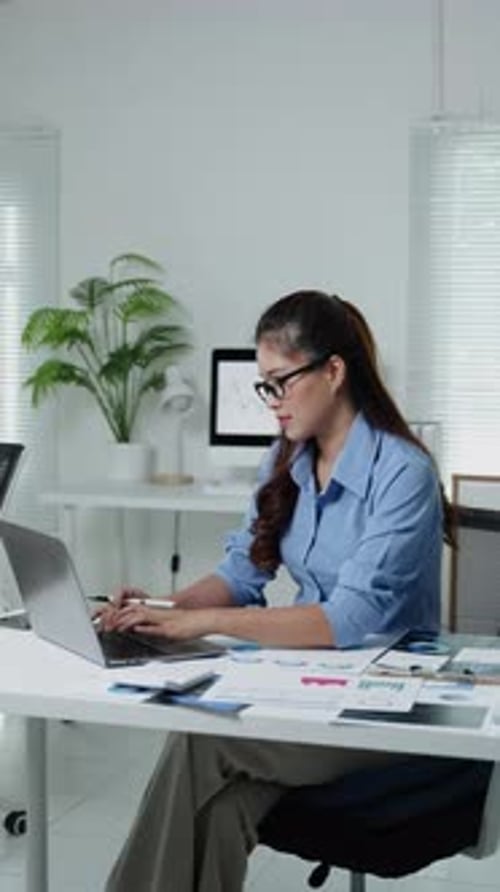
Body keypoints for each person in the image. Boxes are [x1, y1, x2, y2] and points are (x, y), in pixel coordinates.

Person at [102, 290, 452, 892]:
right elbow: (242, 572)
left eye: (280, 382)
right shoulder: (285, 459)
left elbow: (348, 618)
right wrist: (162, 607)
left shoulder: (403, 473)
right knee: (220, 810)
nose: (271, 402)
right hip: (310, 685)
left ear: (333, 372)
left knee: (200, 742)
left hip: (389, 709)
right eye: (264, 386)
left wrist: (203, 624)